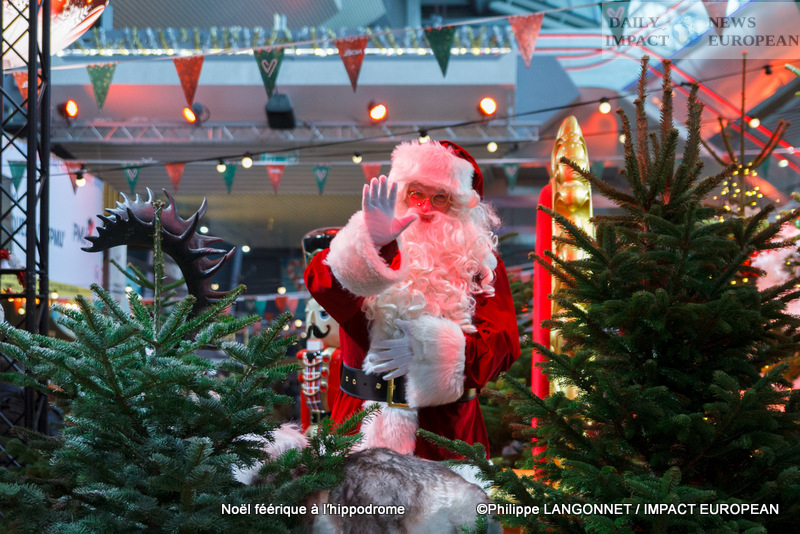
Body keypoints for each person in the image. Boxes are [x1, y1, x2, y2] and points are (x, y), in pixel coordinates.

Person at [304, 140, 520, 460]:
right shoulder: (375, 246)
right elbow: (323, 285)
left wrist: (429, 351)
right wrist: (373, 244)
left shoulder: (481, 265)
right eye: (416, 193)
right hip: (360, 425)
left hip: (445, 433)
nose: (425, 208)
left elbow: (502, 346)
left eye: (440, 197)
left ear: (460, 205)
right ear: (401, 193)